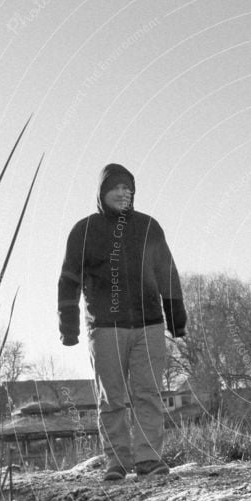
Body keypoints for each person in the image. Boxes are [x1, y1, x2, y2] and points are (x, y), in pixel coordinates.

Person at [57, 164, 186, 482]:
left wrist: (176, 321)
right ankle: (116, 462)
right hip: (105, 327)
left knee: (148, 394)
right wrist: (69, 328)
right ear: (102, 193)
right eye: (115, 187)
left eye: (128, 189)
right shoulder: (84, 231)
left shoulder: (148, 227)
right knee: (111, 397)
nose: (122, 193)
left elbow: (167, 274)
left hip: (149, 324)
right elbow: (68, 281)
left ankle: (148, 459)